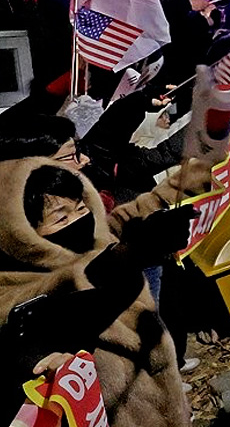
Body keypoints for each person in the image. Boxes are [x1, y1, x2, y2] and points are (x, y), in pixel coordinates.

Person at [0, 158, 202, 427]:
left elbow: (125, 219)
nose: (78, 221)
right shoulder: (13, 288)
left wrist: (187, 181)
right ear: (19, 232)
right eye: (61, 217)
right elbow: (79, 283)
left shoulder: (96, 240)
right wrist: (135, 251)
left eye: (82, 208)